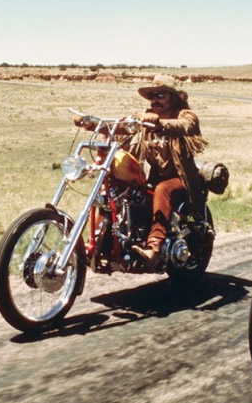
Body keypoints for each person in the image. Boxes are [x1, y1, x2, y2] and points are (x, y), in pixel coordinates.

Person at [75, 74, 207, 269]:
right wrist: (91, 124)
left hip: (181, 179)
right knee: (117, 191)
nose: (155, 99)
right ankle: (99, 243)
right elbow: (119, 128)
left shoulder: (185, 115)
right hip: (153, 179)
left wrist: (160, 123)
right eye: (152, 95)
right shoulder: (144, 120)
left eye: (161, 95)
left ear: (173, 97)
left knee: (163, 189)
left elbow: (185, 126)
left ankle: (154, 248)